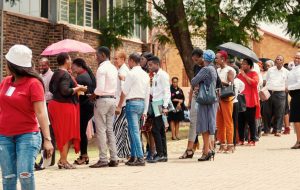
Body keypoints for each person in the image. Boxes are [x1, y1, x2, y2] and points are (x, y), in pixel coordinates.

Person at [0, 45, 54, 190]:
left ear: (13, 65)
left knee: (25, 174)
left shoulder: (33, 84)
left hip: (27, 136)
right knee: (8, 177)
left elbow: (41, 112)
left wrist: (47, 140)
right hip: (4, 137)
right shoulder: (6, 82)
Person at [48, 53, 86, 169]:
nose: (71, 61)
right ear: (66, 60)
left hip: (57, 105)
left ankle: (62, 159)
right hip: (64, 106)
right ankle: (63, 161)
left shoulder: (56, 73)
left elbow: (51, 88)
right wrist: (78, 88)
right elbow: (65, 91)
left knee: (63, 133)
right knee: (66, 134)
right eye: (69, 59)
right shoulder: (64, 74)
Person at [116, 53, 150, 166]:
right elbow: (147, 94)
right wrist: (145, 110)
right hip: (141, 103)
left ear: (131, 61)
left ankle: (140, 157)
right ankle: (134, 156)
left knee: (134, 131)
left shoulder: (131, 73)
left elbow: (124, 91)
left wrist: (119, 105)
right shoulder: (145, 75)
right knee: (133, 131)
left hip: (132, 103)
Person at [89, 46, 119, 168]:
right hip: (112, 99)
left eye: (97, 55)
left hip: (102, 100)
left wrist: (92, 95)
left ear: (102, 55)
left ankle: (103, 159)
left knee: (101, 130)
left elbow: (100, 88)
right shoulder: (113, 68)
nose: (96, 58)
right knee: (110, 130)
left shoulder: (101, 69)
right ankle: (114, 157)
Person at [191, 50, 218, 161]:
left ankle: (206, 151)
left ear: (203, 57)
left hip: (204, 100)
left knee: (203, 126)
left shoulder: (205, 69)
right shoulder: (214, 69)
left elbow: (194, 81)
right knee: (209, 125)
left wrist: (198, 83)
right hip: (212, 100)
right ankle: (209, 149)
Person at [179, 48, 203, 159]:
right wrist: (189, 99)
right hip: (196, 97)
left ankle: (208, 149)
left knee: (207, 124)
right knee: (193, 122)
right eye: (194, 60)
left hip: (206, 99)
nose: (196, 61)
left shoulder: (209, 68)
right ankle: (190, 149)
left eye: (197, 59)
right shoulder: (196, 67)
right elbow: (193, 83)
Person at [72, 58, 96, 165]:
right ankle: (84, 154)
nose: (72, 68)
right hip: (89, 106)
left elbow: (78, 94)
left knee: (81, 131)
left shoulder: (81, 78)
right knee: (82, 131)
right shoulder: (88, 75)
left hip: (84, 106)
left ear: (79, 66)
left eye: (73, 66)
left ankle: (84, 155)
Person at [147, 56, 171, 163]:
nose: (149, 67)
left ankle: (160, 154)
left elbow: (167, 91)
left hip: (161, 104)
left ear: (157, 64)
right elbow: (153, 91)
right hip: (156, 104)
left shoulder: (163, 75)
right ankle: (163, 154)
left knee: (155, 129)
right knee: (160, 130)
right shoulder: (155, 76)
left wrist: (165, 106)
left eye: (151, 65)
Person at [35, 57, 56, 170]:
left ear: (48, 65)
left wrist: (41, 96)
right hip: (41, 105)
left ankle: (47, 160)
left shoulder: (51, 75)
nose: (41, 67)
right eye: (40, 65)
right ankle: (47, 160)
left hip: (48, 105)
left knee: (48, 133)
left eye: (44, 65)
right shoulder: (39, 76)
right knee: (43, 134)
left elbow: (52, 92)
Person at [215, 50, 236, 153]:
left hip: (226, 98)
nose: (215, 59)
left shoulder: (230, 70)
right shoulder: (217, 70)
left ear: (223, 59)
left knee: (228, 122)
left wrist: (219, 81)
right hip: (218, 98)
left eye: (217, 58)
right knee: (219, 122)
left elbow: (231, 83)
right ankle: (222, 144)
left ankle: (230, 144)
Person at [262, 55, 289, 136]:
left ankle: (277, 130)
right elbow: (265, 81)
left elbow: (288, 83)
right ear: (275, 61)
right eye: (277, 59)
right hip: (269, 92)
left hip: (280, 94)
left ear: (283, 62)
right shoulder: (270, 70)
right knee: (266, 112)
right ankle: (266, 130)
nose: (278, 60)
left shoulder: (286, 72)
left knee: (279, 112)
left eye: (280, 59)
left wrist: (286, 90)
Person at [237, 58, 260, 146]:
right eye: (242, 64)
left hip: (250, 101)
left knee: (251, 122)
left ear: (249, 66)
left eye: (245, 64)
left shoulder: (254, 73)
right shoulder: (239, 75)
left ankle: (252, 140)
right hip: (241, 101)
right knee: (241, 122)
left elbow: (254, 83)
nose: (242, 65)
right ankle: (241, 140)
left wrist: (245, 75)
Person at [113, 51, 131, 159]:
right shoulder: (120, 70)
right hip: (121, 104)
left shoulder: (123, 71)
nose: (115, 61)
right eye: (114, 58)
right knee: (120, 129)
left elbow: (124, 90)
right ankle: (124, 153)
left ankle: (124, 153)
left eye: (117, 58)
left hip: (122, 105)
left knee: (120, 129)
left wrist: (119, 105)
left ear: (123, 59)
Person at [288, 52, 300, 149]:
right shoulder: (294, 68)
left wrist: (288, 87)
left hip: (298, 95)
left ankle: (299, 141)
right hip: (295, 95)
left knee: (297, 119)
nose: (296, 59)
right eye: (295, 57)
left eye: (299, 58)